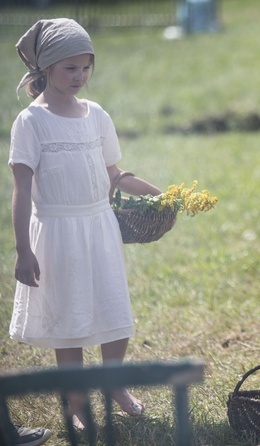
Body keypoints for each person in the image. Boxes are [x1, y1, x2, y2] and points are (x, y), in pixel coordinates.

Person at [9, 18, 161, 430]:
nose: (80, 77)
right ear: (45, 69)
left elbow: (115, 174)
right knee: (70, 317)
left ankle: (114, 383)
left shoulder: (95, 115)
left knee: (114, 308)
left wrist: (161, 195)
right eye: (69, 68)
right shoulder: (31, 122)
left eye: (85, 67)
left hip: (99, 225)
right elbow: (22, 188)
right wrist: (24, 249)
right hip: (57, 232)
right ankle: (76, 402)